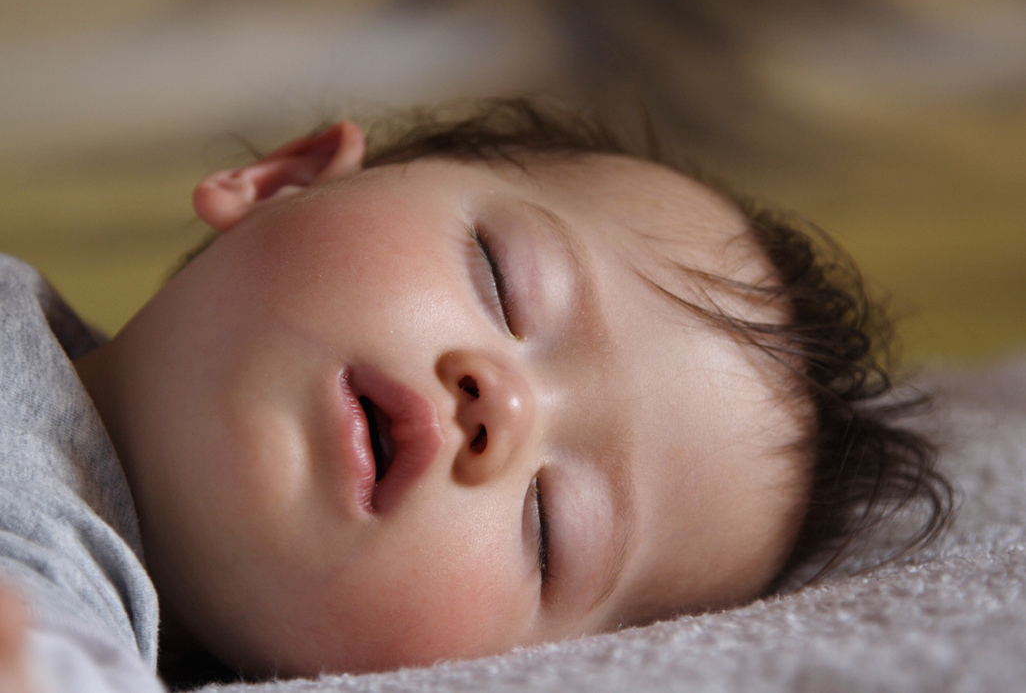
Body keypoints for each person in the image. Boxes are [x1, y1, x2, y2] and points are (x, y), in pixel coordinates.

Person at [0, 99, 953, 691]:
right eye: (502, 281)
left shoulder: (57, 604)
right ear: (282, 180)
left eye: (551, 529)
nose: (506, 411)